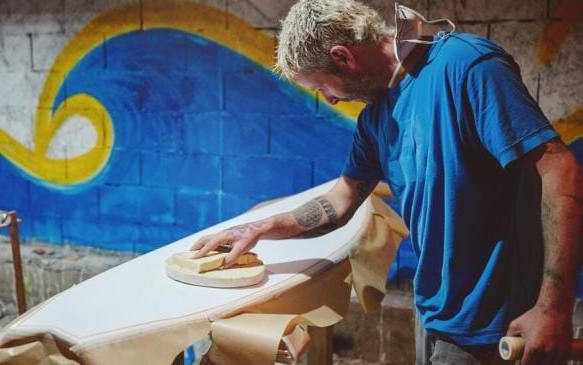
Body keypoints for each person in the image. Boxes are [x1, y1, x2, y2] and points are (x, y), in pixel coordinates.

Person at [191, 1, 582, 364]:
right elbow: (343, 198)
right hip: (432, 310)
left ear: (343, 57)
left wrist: (554, 308)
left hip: (494, 325)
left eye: (322, 87)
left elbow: (560, 169)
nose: (329, 100)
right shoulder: (376, 119)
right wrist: (258, 228)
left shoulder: (466, 66)